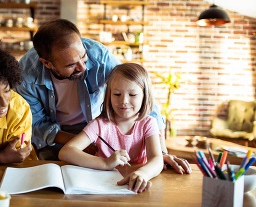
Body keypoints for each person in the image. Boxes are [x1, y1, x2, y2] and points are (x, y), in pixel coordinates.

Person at [15, 19, 191, 174]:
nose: (82, 68)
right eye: (71, 65)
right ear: (47, 63)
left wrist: (162, 153)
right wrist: (86, 145)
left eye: (83, 58)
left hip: (93, 127)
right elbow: (37, 125)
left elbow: (137, 91)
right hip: (56, 135)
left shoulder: (99, 55)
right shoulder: (26, 75)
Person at [59, 63, 164, 193]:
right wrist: (106, 163)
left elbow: (157, 160)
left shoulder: (148, 123)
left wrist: (142, 174)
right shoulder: (99, 125)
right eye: (117, 94)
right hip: (101, 188)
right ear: (109, 95)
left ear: (144, 96)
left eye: (132, 95)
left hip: (135, 188)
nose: (124, 101)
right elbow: (66, 152)